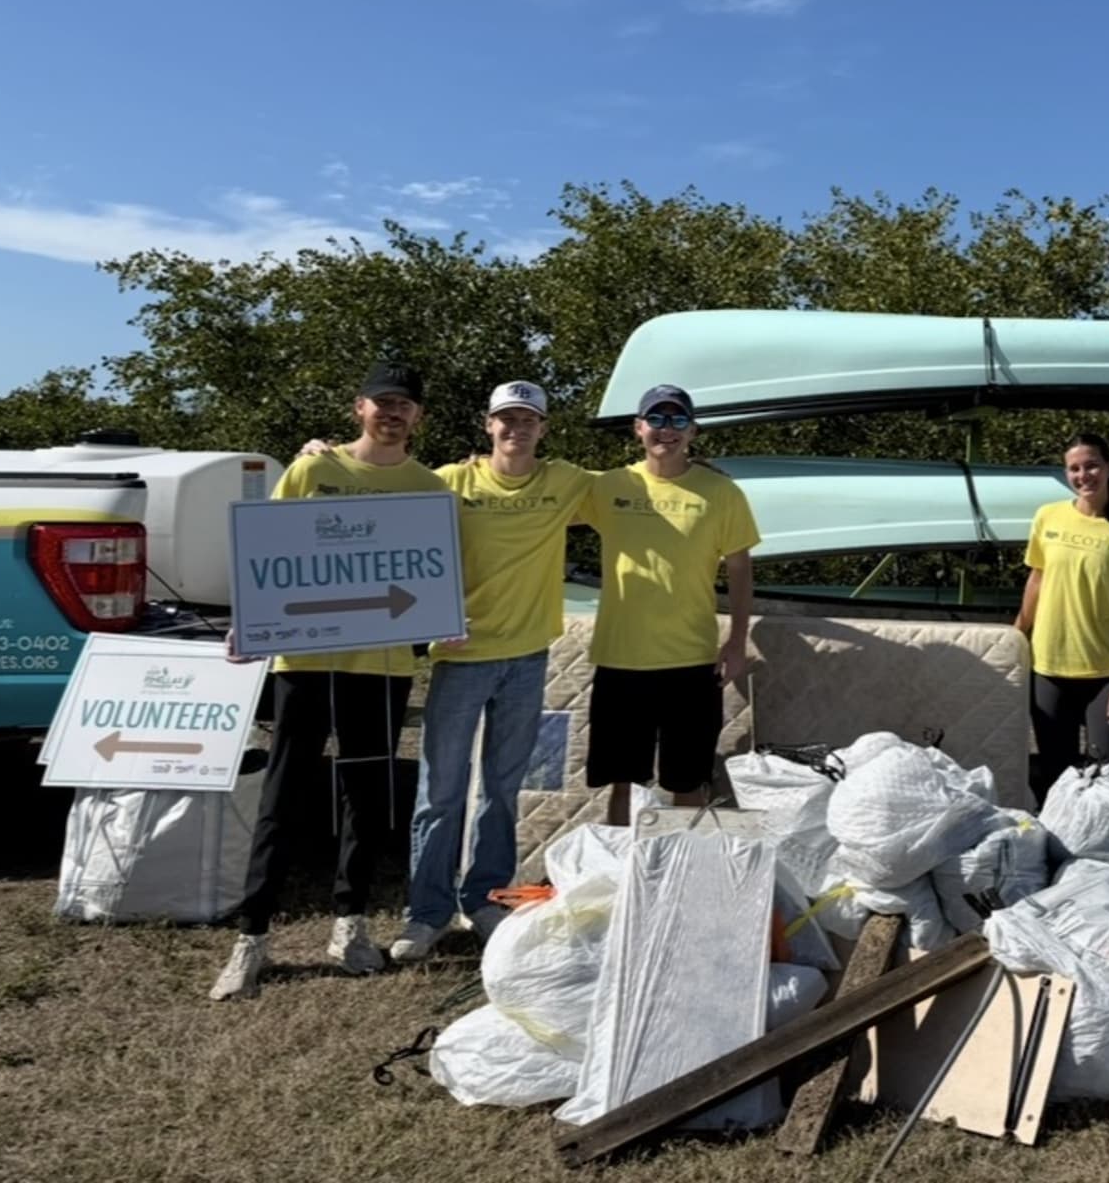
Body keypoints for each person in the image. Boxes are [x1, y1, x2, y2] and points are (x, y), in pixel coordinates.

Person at [212, 362, 449, 1001]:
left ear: (418, 416)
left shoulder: (429, 487)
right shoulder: (313, 469)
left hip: (383, 666)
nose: (392, 412)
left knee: (367, 802)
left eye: (404, 404)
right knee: (283, 797)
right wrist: (249, 624)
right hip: (306, 661)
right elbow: (268, 551)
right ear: (359, 408)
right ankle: (251, 938)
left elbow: (431, 574)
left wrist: (445, 617)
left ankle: (351, 926)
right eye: (381, 402)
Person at [390, 381, 595, 963]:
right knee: (441, 792)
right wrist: (321, 455)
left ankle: (484, 900)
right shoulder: (451, 480)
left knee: (504, 790)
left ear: (543, 429)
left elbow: (643, 484)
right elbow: (380, 493)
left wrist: (696, 460)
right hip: (460, 659)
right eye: (506, 418)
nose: (516, 429)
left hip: (529, 658)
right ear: (488, 425)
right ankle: (425, 915)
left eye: (528, 420)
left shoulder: (567, 482)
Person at [578, 385, 759, 826]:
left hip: (692, 662)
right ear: (638, 428)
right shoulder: (606, 486)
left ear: (693, 431)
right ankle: (619, 877)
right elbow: (534, 491)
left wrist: (737, 642)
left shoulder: (722, 493)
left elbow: (739, 570)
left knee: (687, 781)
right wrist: (480, 465)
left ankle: (680, 881)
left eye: (678, 420)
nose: (667, 429)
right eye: (656, 419)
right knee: (622, 781)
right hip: (621, 659)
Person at [1014, 432, 1109, 804]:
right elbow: (1037, 581)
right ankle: (1058, 856)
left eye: (1092, 465)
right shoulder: (1049, 516)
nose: (1083, 475)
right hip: (1048, 668)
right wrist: (1015, 637)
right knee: (1055, 774)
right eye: (1074, 469)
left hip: (1104, 676)